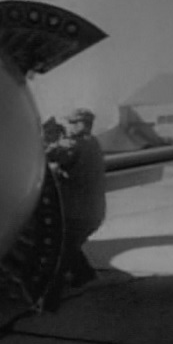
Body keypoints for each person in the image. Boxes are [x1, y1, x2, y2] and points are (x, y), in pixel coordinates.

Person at [44, 108, 106, 310]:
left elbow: (48, 155)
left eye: (71, 123)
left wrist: (46, 137)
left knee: (60, 252)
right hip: (93, 212)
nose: (69, 127)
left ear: (81, 124)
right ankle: (84, 274)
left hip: (77, 213)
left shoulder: (74, 144)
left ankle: (50, 296)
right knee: (70, 245)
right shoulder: (94, 143)